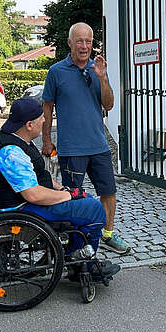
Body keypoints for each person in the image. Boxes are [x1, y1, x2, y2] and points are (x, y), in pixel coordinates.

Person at [0, 97, 120, 280]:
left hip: (25, 201)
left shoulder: (19, 139)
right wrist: (66, 196)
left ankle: (76, 256)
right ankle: (81, 263)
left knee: (83, 198)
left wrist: (65, 189)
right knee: (94, 209)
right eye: (41, 117)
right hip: (22, 208)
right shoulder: (11, 152)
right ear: (29, 124)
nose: (45, 120)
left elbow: (41, 175)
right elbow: (33, 194)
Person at [42, 22, 130, 254]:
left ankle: (108, 234)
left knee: (108, 191)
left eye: (88, 41)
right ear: (70, 43)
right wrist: (46, 140)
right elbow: (47, 107)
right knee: (72, 197)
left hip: (98, 145)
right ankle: (76, 242)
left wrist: (101, 78)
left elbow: (109, 105)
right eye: (79, 41)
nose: (84, 46)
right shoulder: (57, 71)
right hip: (71, 149)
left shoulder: (98, 68)